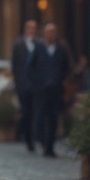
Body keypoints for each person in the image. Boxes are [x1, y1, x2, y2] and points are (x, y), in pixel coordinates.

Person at [26, 23, 71, 157]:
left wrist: (60, 80)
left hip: (55, 90)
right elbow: (29, 67)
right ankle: (41, 140)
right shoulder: (39, 48)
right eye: (49, 32)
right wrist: (37, 82)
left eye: (54, 32)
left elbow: (66, 68)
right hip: (41, 90)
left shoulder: (61, 49)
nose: (51, 35)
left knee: (53, 118)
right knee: (40, 117)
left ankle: (50, 146)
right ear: (44, 34)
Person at [11, 20, 38, 149]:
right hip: (23, 84)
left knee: (37, 112)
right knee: (26, 111)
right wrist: (18, 83)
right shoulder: (18, 44)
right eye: (29, 28)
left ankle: (37, 136)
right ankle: (28, 138)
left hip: (37, 85)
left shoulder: (39, 44)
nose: (31, 31)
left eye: (34, 28)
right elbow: (15, 65)